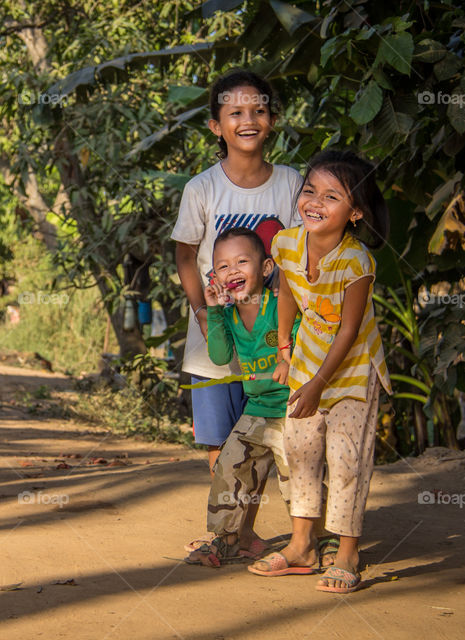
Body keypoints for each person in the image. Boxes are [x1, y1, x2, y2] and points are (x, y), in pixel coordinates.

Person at [248, 150, 391, 594]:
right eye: (310, 190)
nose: (315, 201)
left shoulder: (357, 262)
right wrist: (286, 353)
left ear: (355, 213)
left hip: (351, 374)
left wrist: (318, 384)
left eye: (332, 196)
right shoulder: (286, 244)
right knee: (302, 454)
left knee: (346, 462)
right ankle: (302, 545)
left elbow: (349, 331)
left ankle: (347, 552)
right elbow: (287, 296)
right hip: (305, 364)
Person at [170, 69, 302, 550]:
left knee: (264, 434)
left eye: (259, 110)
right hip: (215, 336)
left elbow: (296, 256)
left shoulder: (290, 184)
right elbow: (186, 253)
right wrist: (203, 313)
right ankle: (230, 529)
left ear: (273, 120)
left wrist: (287, 328)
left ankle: (244, 532)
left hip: (271, 339)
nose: (249, 120)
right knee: (218, 440)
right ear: (216, 126)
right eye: (235, 113)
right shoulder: (201, 188)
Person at [185, 228, 300, 566]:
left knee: (298, 479)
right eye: (222, 266)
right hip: (257, 409)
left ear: (266, 268)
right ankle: (227, 539)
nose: (232, 270)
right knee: (229, 467)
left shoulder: (280, 303)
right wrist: (214, 310)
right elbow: (220, 356)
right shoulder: (230, 314)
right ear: (214, 277)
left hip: (293, 409)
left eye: (241, 261)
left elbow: (299, 342)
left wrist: (286, 358)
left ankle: (314, 541)